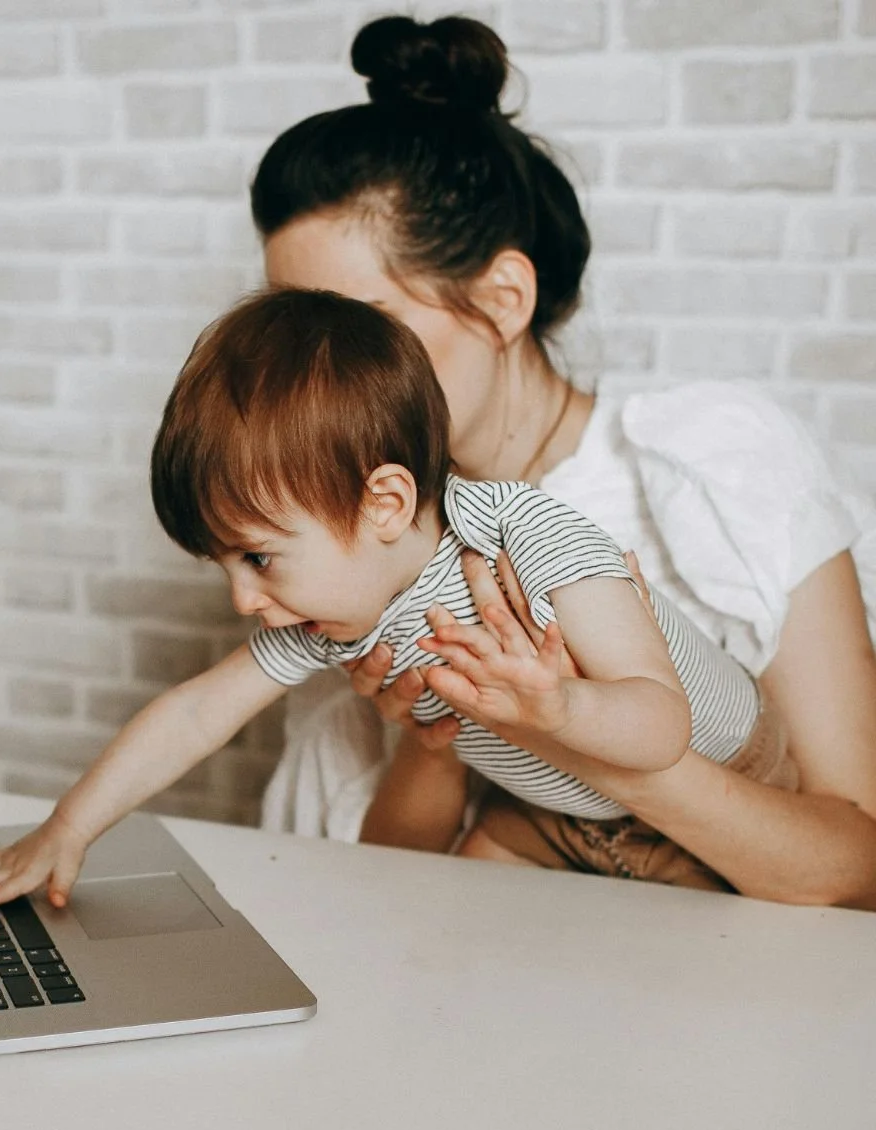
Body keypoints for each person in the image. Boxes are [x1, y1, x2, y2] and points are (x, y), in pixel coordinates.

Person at [250, 14, 876, 907]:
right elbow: (386, 892)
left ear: (503, 299)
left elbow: (857, 872)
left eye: (355, 326)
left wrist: (582, 734)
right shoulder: (356, 532)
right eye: (289, 330)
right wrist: (436, 741)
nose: (313, 376)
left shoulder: (716, 463)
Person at [0, 287, 796, 913]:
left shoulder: (526, 534)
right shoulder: (337, 608)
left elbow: (661, 726)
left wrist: (557, 703)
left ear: (383, 504)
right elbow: (196, 713)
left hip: (710, 796)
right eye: (225, 566)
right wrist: (68, 828)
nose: (246, 598)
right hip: (549, 815)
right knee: (438, 942)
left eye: (260, 557)